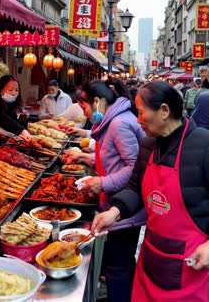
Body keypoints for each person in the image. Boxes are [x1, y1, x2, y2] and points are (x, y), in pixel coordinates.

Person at [91, 81, 209, 302]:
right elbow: (135, 188)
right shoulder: (147, 145)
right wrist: (115, 211)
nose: (137, 120)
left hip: (192, 264)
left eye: (141, 112)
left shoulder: (203, 144)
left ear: (164, 111)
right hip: (152, 257)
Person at [62, 79, 145, 302]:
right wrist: (86, 157)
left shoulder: (119, 124)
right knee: (120, 262)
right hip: (116, 203)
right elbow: (112, 157)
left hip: (124, 206)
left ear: (97, 102)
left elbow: (135, 167)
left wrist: (104, 182)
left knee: (118, 266)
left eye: (84, 107)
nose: (85, 113)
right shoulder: (111, 121)